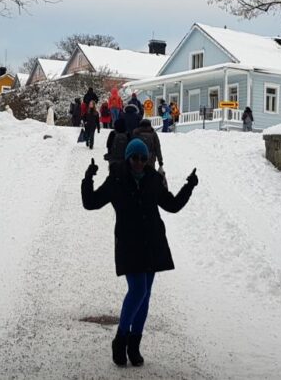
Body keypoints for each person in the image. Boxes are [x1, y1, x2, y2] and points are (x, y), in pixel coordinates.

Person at [81, 140, 199, 367]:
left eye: (143, 159)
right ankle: (121, 340)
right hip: (129, 243)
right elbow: (91, 202)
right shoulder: (116, 179)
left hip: (152, 242)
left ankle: (134, 345)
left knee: (145, 295)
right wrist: (88, 178)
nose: (139, 162)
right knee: (138, 289)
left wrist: (189, 186)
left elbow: (172, 205)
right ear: (128, 158)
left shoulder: (153, 180)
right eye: (135, 158)